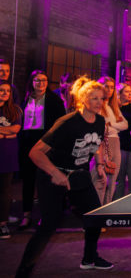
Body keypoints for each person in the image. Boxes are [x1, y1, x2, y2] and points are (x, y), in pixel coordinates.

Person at [15, 77, 113, 276]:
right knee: (48, 225)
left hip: (79, 176)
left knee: (95, 217)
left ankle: (89, 258)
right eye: (94, 98)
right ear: (83, 99)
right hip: (52, 176)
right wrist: (55, 173)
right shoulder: (67, 123)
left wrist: (100, 164)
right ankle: (23, 272)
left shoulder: (100, 121)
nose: (99, 102)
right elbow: (35, 152)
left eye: (101, 98)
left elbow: (96, 143)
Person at [19, 70, 66, 230]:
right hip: (27, 142)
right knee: (28, 180)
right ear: (32, 82)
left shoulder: (54, 100)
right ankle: (26, 215)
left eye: (44, 80)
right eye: (37, 80)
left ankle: (46, 216)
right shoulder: (26, 98)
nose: (41, 83)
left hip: (45, 143)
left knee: (45, 181)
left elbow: (60, 124)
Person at [91, 76, 128, 205]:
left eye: (112, 87)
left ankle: (106, 209)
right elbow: (100, 126)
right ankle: (96, 209)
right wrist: (113, 126)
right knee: (100, 179)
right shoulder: (96, 104)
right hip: (102, 143)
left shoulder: (113, 106)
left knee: (113, 179)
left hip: (115, 142)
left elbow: (125, 125)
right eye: (106, 86)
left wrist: (111, 124)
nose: (109, 89)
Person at [0, 80, 22, 239]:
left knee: (5, 190)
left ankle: (2, 223)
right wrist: (7, 132)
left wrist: (4, 132)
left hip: (8, 153)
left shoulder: (15, 110)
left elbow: (16, 129)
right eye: (2, 90)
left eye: (8, 91)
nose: (5, 93)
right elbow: (11, 131)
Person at [113, 83, 131, 199]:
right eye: (127, 91)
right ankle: (117, 203)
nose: (130, 94)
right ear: (119, 93)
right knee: (119, 179)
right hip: (119, 146)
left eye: (130, 91)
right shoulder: (114, 108)